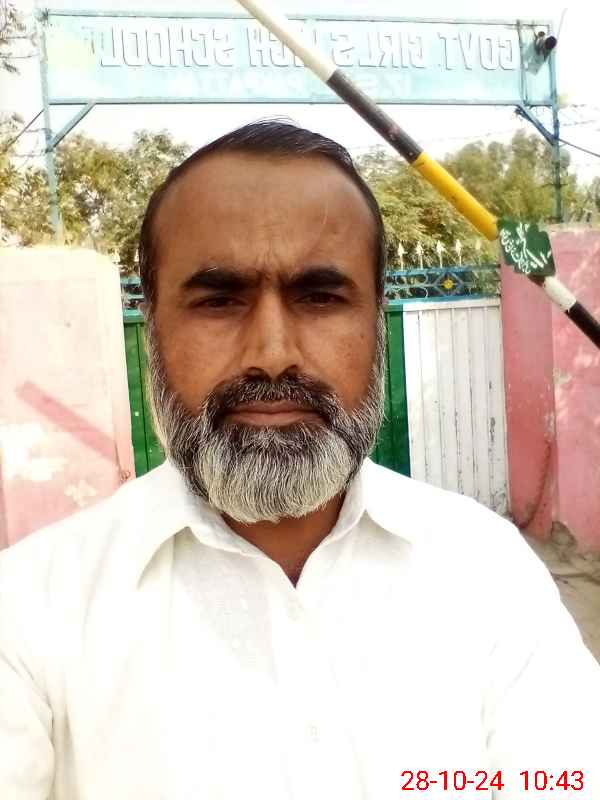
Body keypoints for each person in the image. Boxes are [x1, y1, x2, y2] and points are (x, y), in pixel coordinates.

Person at [1, 120, 599, 800]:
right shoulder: (33, 606)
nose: (273, 353)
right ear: (153, 327)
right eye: (218, 300)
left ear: (375, 323)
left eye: (319, 298)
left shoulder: (486, 571)